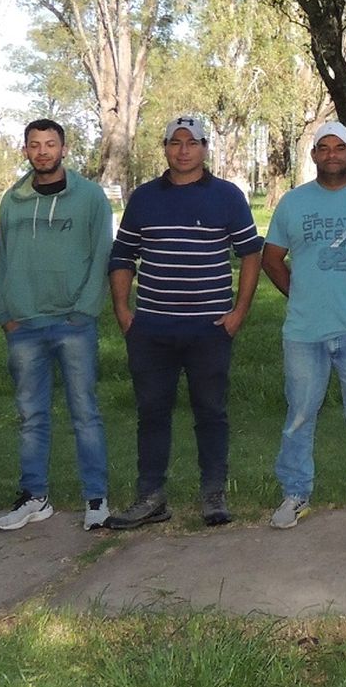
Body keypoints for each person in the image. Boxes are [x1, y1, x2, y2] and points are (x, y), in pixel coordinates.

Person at [105, 115, 263, 529]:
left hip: (209, 329)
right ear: (166, 148)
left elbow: (250, 254)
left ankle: (213, 493)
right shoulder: (144, 198)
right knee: (152, 412)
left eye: (191, 142)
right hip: (152, 330)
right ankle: (151, 496)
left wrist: (238, 312)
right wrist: (124, 313)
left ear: (204, 148)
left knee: (211, 411)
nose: (183, 149)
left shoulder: (227, 196)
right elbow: (122, 257)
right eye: (175, 142)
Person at [262, 121, 346, 528]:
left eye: (341, 148)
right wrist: (301, 294)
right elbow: (271, 258)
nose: (333, 154)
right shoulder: (293, 203)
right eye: (325, 148)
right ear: (314, 155)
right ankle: (295, 494)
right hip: (304, 331)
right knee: (300, 415)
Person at [0, 119, 114, 533]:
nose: (42, 151)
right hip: (23, 325)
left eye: (50, 144)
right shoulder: (14, 199)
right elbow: (2, 255)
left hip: (73, 323)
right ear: (25, 149)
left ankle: (96, 498)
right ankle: (34, 497)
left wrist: (84, 310)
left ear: (64, 147)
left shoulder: (89, 197)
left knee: (85, 414)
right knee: (31, 415)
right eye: (34, 145)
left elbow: (102, 256)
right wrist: (4, 312)